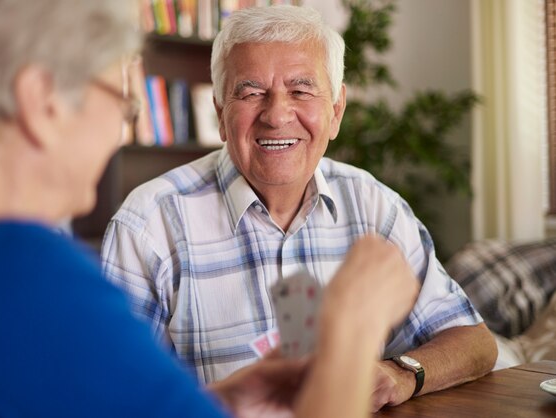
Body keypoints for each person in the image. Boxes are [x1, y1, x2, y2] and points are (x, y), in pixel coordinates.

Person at [0, 1, 420, 417]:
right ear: (44, 102)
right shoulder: (28, 275)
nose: (124, 126)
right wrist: (350, 335)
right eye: (122, 102)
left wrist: (216, 403)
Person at [101, 4, 498, 411]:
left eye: (301, 90)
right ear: (220, 114)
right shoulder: (148, 225)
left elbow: (475, 343)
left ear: (336, 112)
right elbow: (108, 399)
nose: (276, 115)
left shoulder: (375, 207)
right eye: (251, 92)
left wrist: (399, 374)